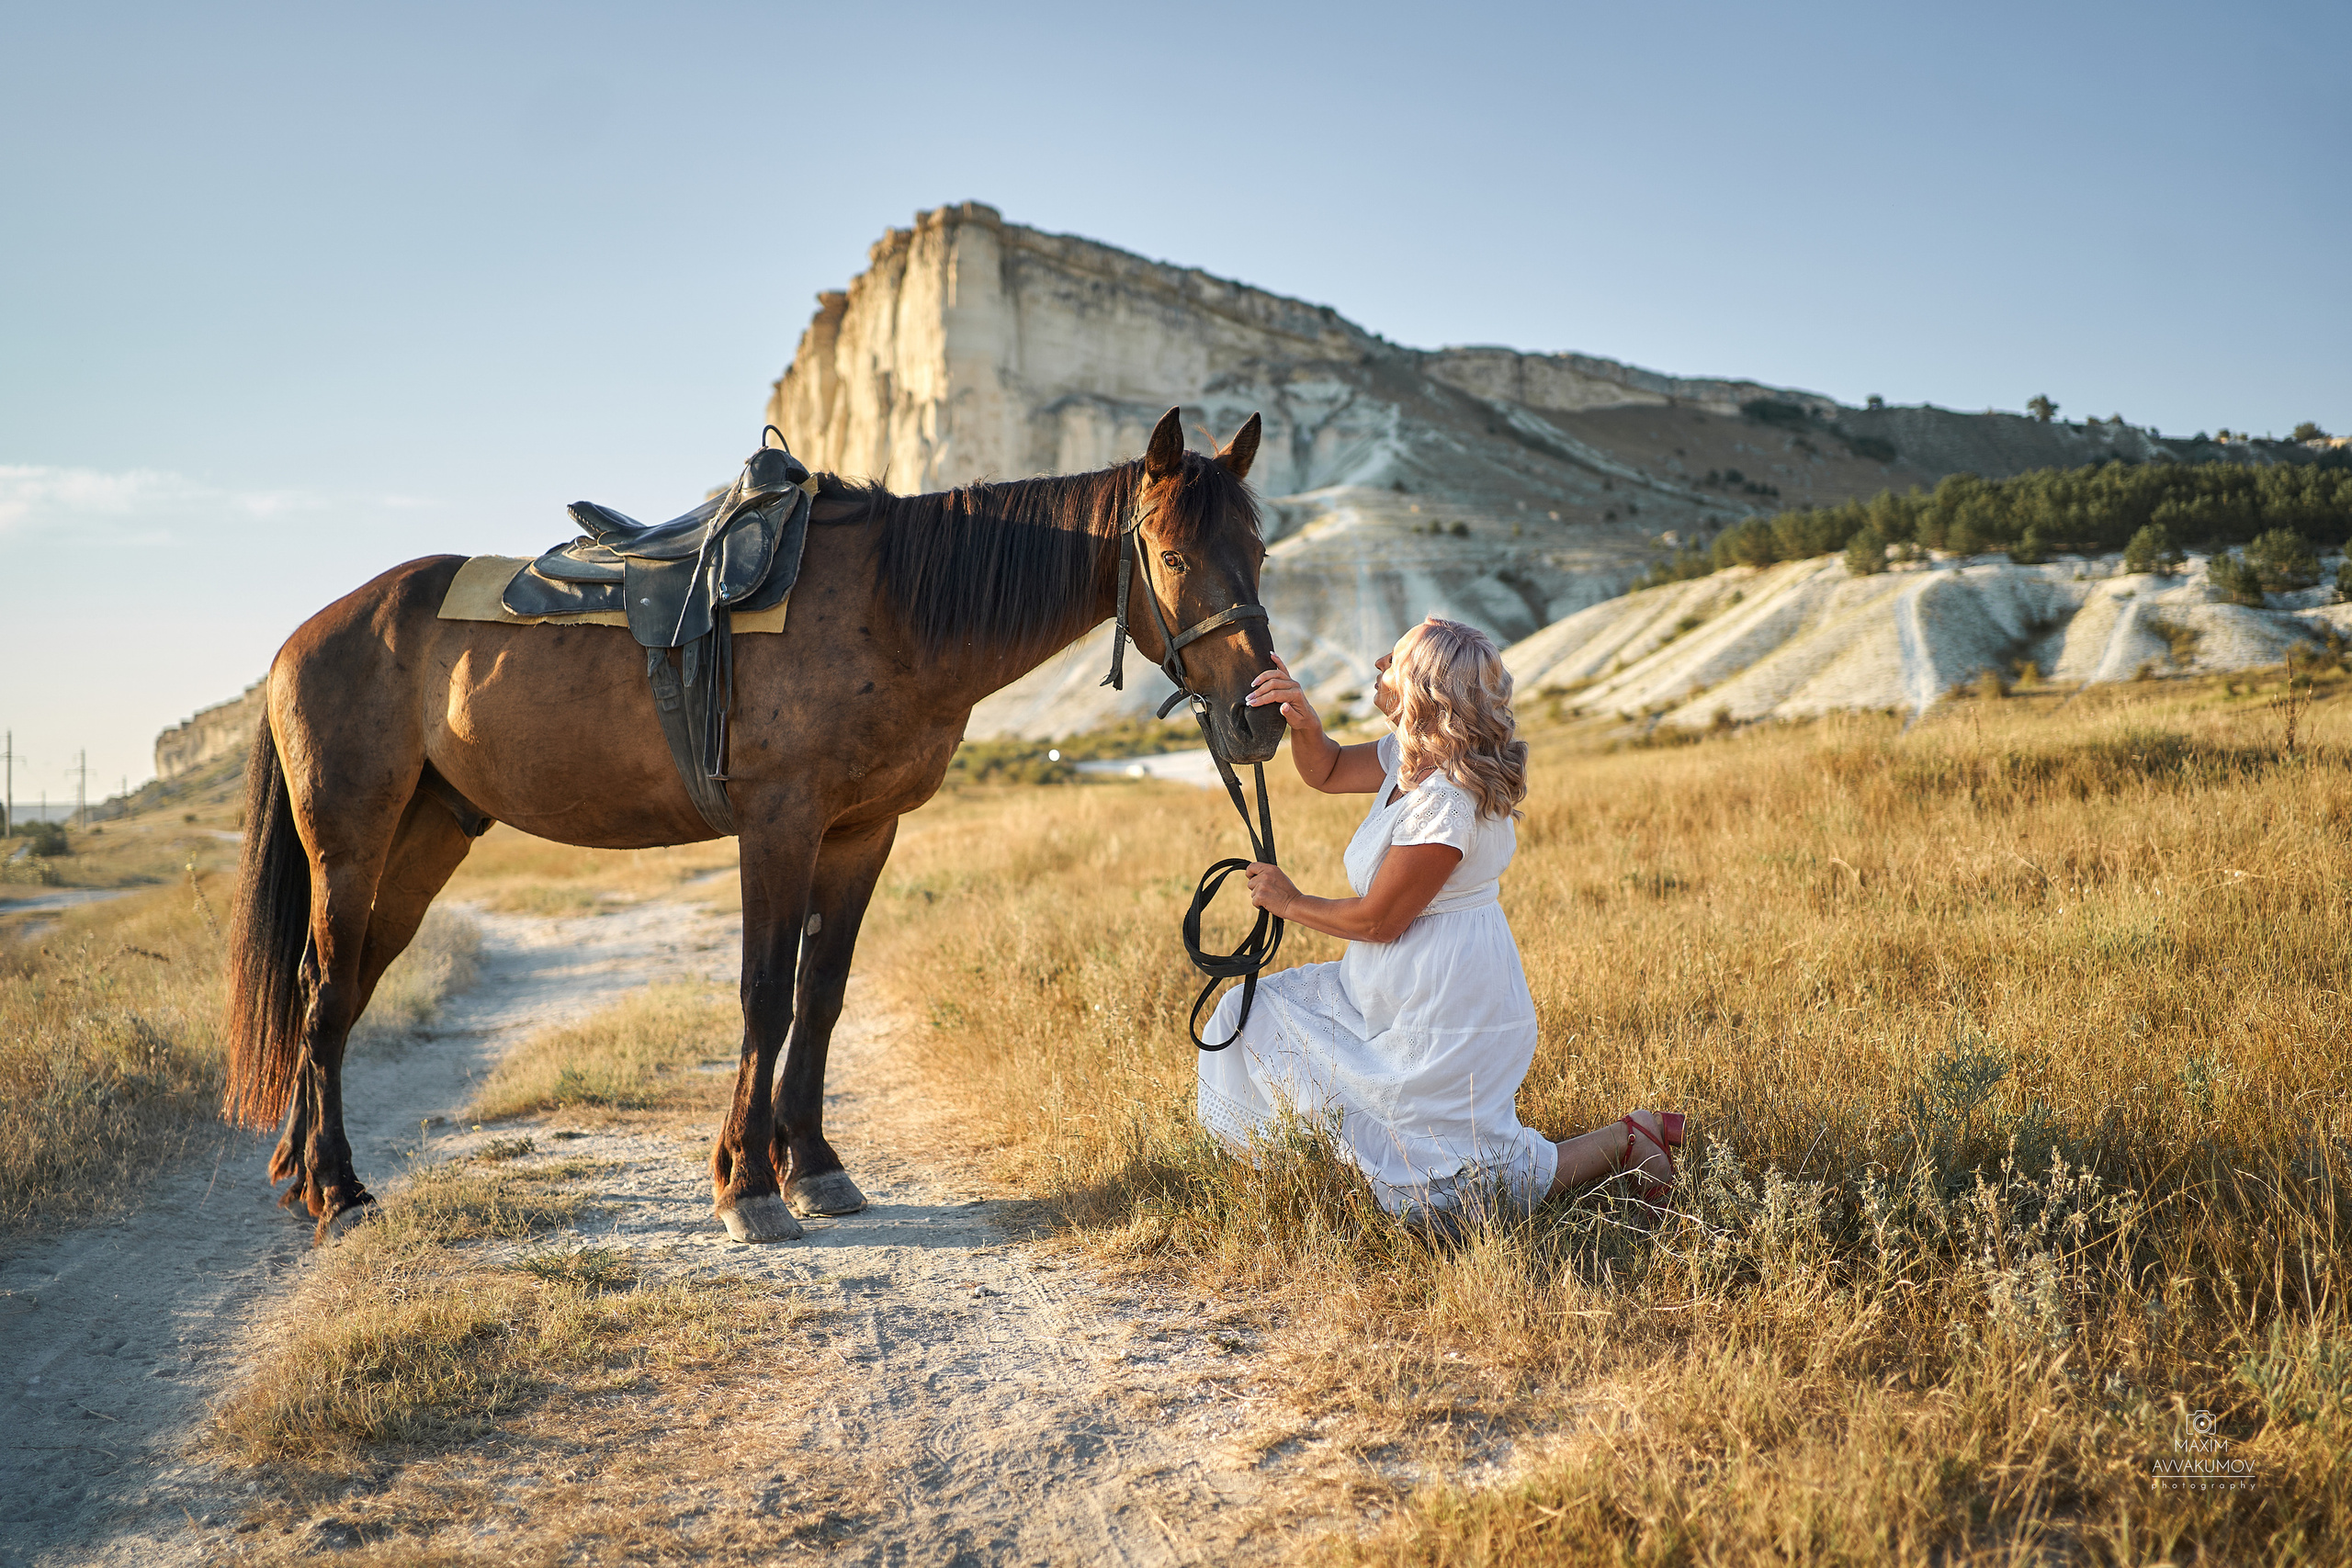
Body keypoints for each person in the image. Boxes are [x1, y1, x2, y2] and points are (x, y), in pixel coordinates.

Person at [1194, 615, 1687, 1222]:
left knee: (1441, 1201)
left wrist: (1290, 902)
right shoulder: (1410, 757)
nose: (1378, 663)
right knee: (1249, 1016)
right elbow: (1323, 770)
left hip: (1447, 1001)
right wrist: (1305, 721)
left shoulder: (1446, 800)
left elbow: (1380, 920)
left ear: (1424, 690)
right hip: (1387, 989)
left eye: (1393, 658)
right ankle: (1296, 1189)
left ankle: (1628, 1140)